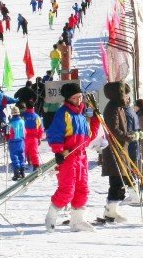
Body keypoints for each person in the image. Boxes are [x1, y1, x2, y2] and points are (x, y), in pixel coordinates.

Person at [43, 81, 101, 231]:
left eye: (80, 97)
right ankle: (51, 216)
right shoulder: (64, 114)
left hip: (81, 157)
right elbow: (55, 134)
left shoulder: (81, 116)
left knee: (83, 188)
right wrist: (58, 151)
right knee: (67, 189)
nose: (78, 100)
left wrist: (95, 120)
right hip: (68, 157)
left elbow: (88, 138)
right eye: (75, 98)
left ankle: (77, 221)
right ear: (68, 98)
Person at [99, 81, 140, 223]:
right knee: (117, 181)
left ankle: (112, 211)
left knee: (120, 180)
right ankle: (110, 211)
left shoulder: (119, 107)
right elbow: (114, 129)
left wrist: (130, 135)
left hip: (121, 148)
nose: (127, 96)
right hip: (114, 150)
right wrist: (128, 136)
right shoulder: (113, 108)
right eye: (125, 93)